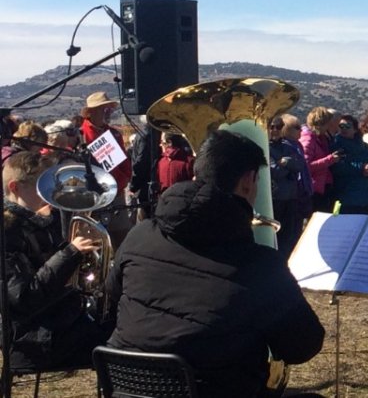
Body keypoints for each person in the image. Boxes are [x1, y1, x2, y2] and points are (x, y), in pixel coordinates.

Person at [106, 130, 324, 397]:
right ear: (248, 182)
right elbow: (303, 347)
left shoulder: (138, 235)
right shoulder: (260, 265)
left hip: (127, 389)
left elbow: (112, 299)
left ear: (196, 175)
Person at [2, 151, 109, 374]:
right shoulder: (7, 232)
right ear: (15, 187)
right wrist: (70, 253)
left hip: (60, 321)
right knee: (118, 341)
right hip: (34, 339)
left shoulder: (41, 220)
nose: (49, 194)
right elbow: (24, 298)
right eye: (40, 186)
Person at [267, 116, 305, 256]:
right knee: (275, 236)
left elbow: (300, 164)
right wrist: (290, 165)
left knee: (289, 237)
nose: (275, 130)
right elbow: (275, 171)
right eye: (272, 127)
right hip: (275, 198)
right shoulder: (265, 147)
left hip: (290, 197)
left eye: (278, 127)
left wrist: (285, 162)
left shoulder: (288, 146)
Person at [329, 115, 368, 215]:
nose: (344, 129)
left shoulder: (364, 146)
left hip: (363, 196)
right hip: (344, 195)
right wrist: (361, 168)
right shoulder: (335, 145)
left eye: (347, 126)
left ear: (355, 129)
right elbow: (338, 166)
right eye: (341, 126)